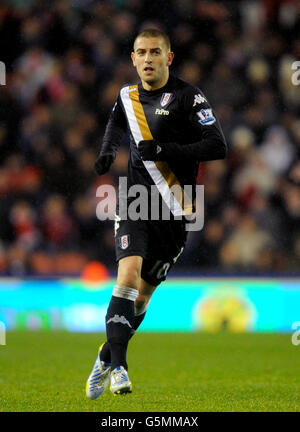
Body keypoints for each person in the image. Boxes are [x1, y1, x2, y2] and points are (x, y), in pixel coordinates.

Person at [86, 28, 227, 398]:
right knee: (127, 277)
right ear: (132, 58)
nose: (147, 59)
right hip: (134, 200)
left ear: (169, 57)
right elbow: (117, 122)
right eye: (141, 52)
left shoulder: (189, 97)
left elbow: (217, 145)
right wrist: (107, 151)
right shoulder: (127, 95)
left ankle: (106, 355)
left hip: (176, 206)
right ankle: (119, 369)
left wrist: (164, 149)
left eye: (154, 52)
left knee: (143, 297)